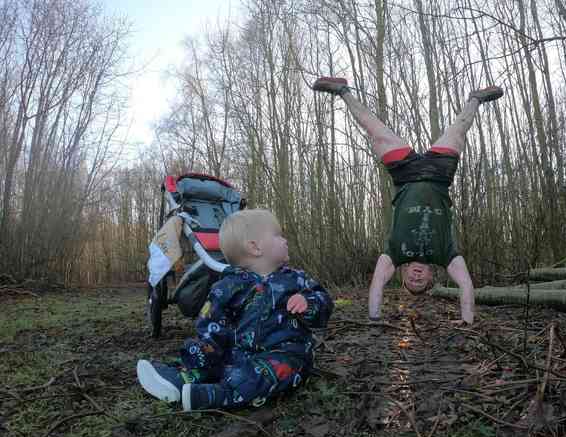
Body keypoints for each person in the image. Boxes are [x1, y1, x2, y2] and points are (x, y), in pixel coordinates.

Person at [312, 77, 503, 324]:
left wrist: (374, 318)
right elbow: (466, 284)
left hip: (405, 175)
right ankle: (476, 98)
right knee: (459, 129)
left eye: (412, 281)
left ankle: (343, 90)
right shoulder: (446, 255)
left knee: (375, 130)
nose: (416, 277)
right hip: (438, 175)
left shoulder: (393, 254)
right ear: (431, 277)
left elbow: (377, 283)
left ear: (400, 273)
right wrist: (467, 321)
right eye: (419, 281)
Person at [136, 208, 334, 411]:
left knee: (268, 374)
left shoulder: (296, 279)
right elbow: (211, 321)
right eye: (278, 235)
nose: (285, 240)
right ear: (255, 247)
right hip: (236, 354)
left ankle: (217, 396)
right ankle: (179, 378)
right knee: (212, 359)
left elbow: (325, 302)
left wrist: (309, 302)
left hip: (285, 354)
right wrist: (207, 349)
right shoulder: (228, 286)